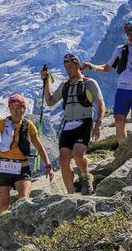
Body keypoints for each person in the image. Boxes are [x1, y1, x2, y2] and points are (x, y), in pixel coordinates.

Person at [0, 94, 54, 215]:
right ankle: (0, 230)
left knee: (24, 201)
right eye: (12, 108)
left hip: (22, 167)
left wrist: (48, 165)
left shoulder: (29, 125)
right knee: (4, 205)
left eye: (18, 108)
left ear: (24, 108)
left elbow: (39, 146)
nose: (15, 111)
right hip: (3, 167)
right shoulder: (3, 123)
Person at [42, 53, 105, 194]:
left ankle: (86, 176)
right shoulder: (65, 86)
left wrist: (98, 124)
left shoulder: (89, 83)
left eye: (70, 67)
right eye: (66, 67)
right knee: (63, 160)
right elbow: (50, 101)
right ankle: (71, 194)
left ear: (78, 66)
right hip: (68, 125)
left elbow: (101, 105)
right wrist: (46, 83)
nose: (68, 70)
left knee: (77, 154)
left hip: (85, 122)